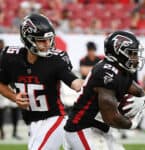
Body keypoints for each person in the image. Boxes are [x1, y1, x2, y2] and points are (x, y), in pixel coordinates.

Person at [0, 13, 83, 149]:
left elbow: (74, 82)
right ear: (28, 39)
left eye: (49, 39)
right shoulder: (11, 58)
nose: (47, 44)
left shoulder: (55, 60)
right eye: (41, 40)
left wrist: (89, 82)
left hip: (54, 118)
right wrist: (14, 97)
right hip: (32, 122)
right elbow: (1, 83)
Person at [63, 31, 145, 150]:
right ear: (118, 52)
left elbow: (138, 90)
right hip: (82, 129)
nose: (135, 58)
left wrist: (144, 99)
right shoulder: (106, 73)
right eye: (131, 53)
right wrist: (132, 123)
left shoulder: (120, 70)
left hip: (100, 128)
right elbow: (111, 118)